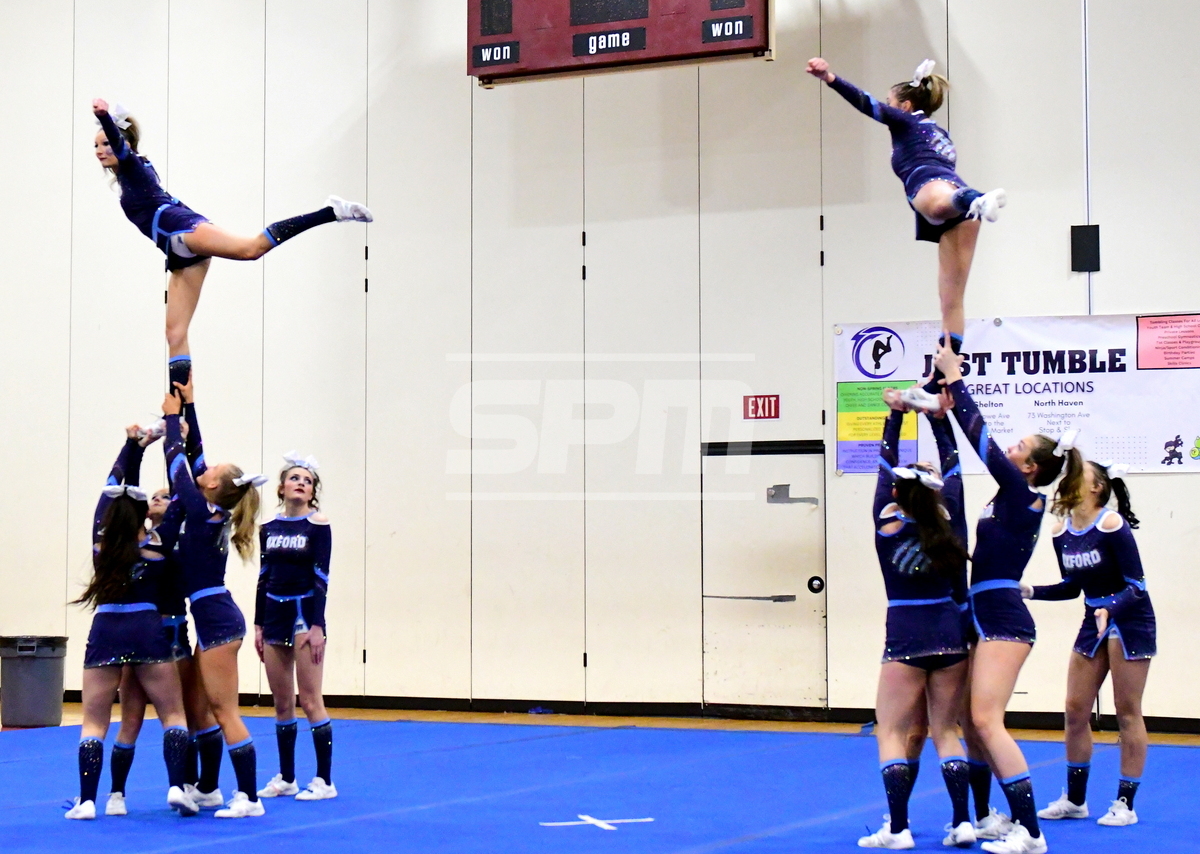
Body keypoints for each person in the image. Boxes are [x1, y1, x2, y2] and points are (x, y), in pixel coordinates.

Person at [91, 99, 372, 390]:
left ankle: (331, 212)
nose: (100, 150)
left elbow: (122, 149)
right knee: (175, 334)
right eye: (96, 146)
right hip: (173, 248)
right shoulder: (130, 174)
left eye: (105, 143)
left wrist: (104, 117)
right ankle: (181, 413)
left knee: (251, 249)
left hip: (180, 228)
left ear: (122, 143)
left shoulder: (133, 164)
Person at [933, 340, 1084, 854]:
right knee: (972, 725)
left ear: (1030, 467)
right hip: (980, 612)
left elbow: (983, 442)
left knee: (985, 720)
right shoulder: (1007, 496)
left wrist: (956, 381)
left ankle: (1031, 833)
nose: (1010, 450)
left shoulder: (1023, 496)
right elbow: (971, 449)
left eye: (1019, 447)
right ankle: (984, 817)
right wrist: (938, 416)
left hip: (1003, 618)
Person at [805, 57, 1005, 408]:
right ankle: (939, 383)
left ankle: (976, 198)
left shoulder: (908, 121)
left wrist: (830, 78)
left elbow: (866, 103)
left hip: (933, 186)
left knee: (935, 207)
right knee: (951, 301)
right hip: (960, 206)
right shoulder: (939, 133)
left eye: (892, 102)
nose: (889, 106)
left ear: (906, 105)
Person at [858, 388, 973, 849]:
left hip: (905, 636)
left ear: (896, 493)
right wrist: (939, 420)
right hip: (949, 635)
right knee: (946, 731)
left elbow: (884, 467)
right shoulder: (951, 522)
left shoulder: (886, 525)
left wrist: (896, 416)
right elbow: (955, 469)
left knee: (890, 731)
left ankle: (899, 828)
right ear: (935, 491)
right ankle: (962, 822)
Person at [65, 431, 197, 820]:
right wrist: (172, 441)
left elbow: (110, 489)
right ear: (143, 516)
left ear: (110, 517)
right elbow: (180, 500)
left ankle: (87, 801)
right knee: (173, 714)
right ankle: (177, 786)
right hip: (146, 627)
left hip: (106, 628)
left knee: (94, 722)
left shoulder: (101, 546)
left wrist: (132, 447)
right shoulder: (158, 546)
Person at [1024, 461, 1154, 828]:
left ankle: (1125, 804)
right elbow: (1071, 587)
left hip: (1130, 620)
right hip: (1092, 619)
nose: (1069, 479)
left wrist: (1110, 609)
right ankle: (1075, 800)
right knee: (1075, 708)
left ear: (1097, 487)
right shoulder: (1060, 531)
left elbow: (1137, 585)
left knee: (1127, 711)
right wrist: (1029, 591)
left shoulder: (1111, 524)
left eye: (1079, 475)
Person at [161, 383, 268, 818]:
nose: (204, 468)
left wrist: (171, 419)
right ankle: (208, 789)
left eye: (211, 470)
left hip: (219, 620)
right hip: (210, 618)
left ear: (212, 485)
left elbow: (178, 462)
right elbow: (196, 454)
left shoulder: (202, 512)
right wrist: (189, 404)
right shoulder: (208, 509)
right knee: (199, 708)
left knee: (225, 711)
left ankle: (250, 798)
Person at [255, 453, 337, 801]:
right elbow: (263, 577)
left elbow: (321, 577)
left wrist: (318, 625)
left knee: (310, 699)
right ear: (281, 487)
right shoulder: (268, 528)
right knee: (282, 702)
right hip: (274, 613)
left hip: (304, 614)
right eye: (295, 478)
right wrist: (258, 624)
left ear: (313, 491)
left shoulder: (317, 525)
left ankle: (324, 780)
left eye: (308, 480)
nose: (301, 483)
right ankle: (287, 777)